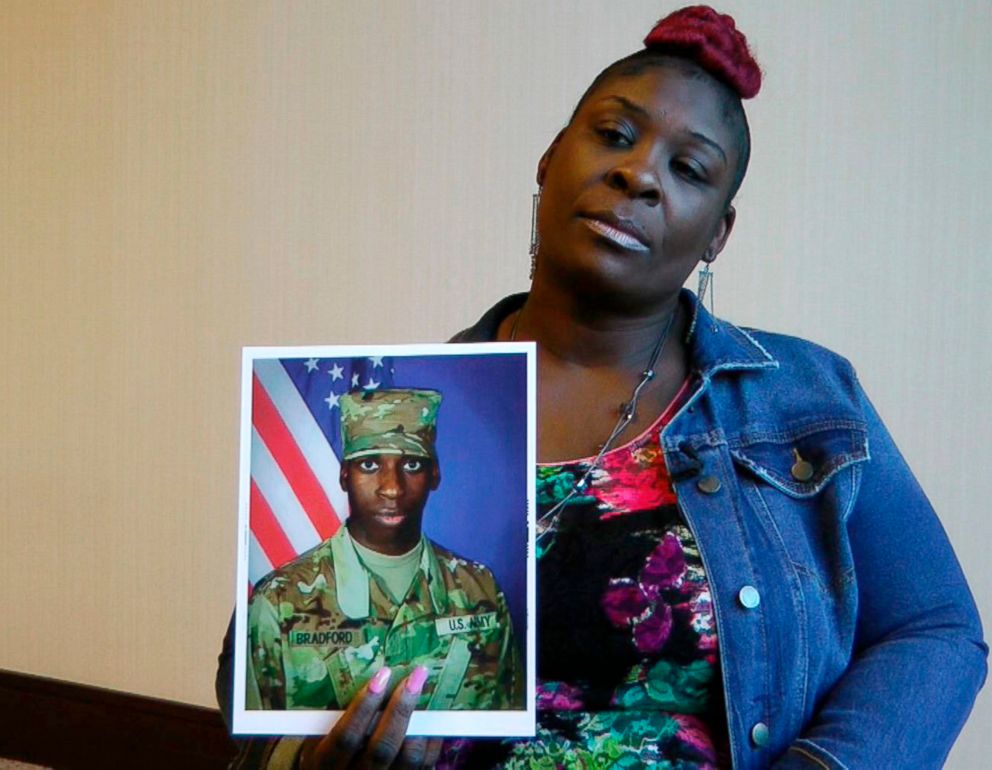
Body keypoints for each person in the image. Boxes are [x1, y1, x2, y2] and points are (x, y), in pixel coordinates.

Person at [218, 6, 986, 768]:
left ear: (718, 232)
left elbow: (937, 631)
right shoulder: (399, 406)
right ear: (551, 158)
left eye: (689, 170)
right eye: (615, 134)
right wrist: (308, 758)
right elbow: (253, 671)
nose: (639, 173)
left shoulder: (805, 399)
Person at [234, 389, 522, 764]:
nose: (392, 487)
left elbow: (509, 744)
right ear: (344, 475)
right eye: (369, 464)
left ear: (435, 475)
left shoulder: (479, 590)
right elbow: (254, 754)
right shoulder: (278, 600)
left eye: (412, 465)